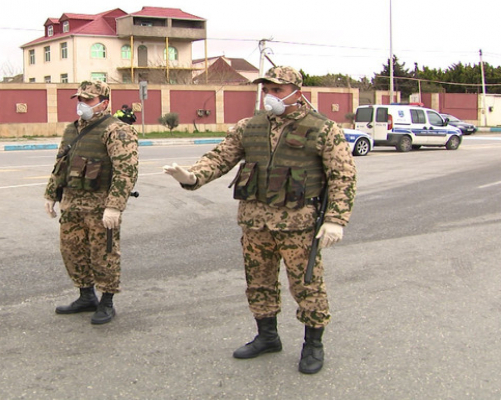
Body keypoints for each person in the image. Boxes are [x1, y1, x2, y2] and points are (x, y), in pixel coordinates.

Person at [163, 66, 356, 374]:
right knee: (259, 283)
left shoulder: (322, 128)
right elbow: (220, 157)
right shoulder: (249, 126)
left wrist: (335, 219)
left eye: (277, 90)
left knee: (307, 286)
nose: (270, 96)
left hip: (299, 225)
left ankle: (313, 344)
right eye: (266, 90)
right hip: (255, 224)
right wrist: (191, 176)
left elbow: (342, 175)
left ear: (296, 91)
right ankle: (267, 336)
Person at [44, 80, 139, 325]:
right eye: (80, 99)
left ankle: (107, 301)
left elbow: (125, 171)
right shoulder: (72, 129)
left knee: (104, 254)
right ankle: (86, 296)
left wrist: (115, 206)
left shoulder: (117, 130)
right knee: (72, 251)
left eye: (88, 100)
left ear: (104, 103)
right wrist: (51, 194)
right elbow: (60, 164)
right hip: (72, 203)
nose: (82, 104)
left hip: (100, 206)